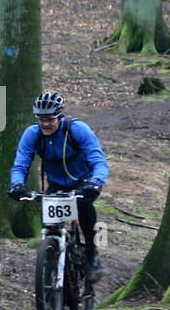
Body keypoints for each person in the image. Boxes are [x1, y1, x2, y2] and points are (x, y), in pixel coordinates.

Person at [8, 92, 109, 282]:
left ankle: (91, 252)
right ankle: (52, 259)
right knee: (48, 223)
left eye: (50, 119)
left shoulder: (77, 129)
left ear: (59, 116)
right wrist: (17, 185)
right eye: (41, 119)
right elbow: (21, 164)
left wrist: (96, 182)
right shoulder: (32, 134)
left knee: (84, 208)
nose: (45, 123)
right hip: (56, 184)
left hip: (84, 183)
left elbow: (99, 161)